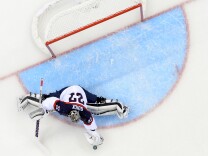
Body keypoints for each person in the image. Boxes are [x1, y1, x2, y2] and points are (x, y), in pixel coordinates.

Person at [18, 85, 129, 146]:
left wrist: (44, 109)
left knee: (96, 102)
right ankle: (26, 99)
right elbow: (51, 101)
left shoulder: (82, 112)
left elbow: (91, 125)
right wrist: (44, 108)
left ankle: (27, 98)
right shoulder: (66, 108)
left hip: (81, 92)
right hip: (67, 91)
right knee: (97, 103)